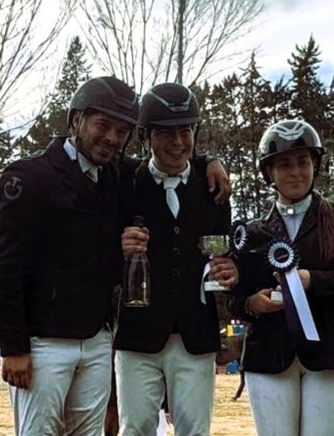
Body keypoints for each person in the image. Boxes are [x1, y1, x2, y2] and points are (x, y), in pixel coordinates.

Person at [0, 76, 230, 436]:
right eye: (103, 126)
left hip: (98, 341)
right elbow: (4, 267)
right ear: (76, 120)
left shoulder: (116, 175)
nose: (112, 138)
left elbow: (170, 158)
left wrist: (208, 159)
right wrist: (13, 346)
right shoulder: (30, 176)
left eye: (121, 131)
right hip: (44, 341)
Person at [229, 119, 334, 436]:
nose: (296, 172)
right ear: (269, 172)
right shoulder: (250, 231)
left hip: (331, 352)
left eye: (303, 162)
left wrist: (313, 280)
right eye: (284, 165)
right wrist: (251, 304)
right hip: (269, 355)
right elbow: (234, 300)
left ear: (315, 165)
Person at [115, 82, 239, 436]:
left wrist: (232, 270)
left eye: (185, 131)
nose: (178, 142)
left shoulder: (213, 187)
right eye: (165, 133)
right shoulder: (125, 182)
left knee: (195, 429)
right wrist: (118, 246)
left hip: (195, 333)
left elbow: (224, 251)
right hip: (137, 333)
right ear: (145, 136)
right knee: (135, 427)